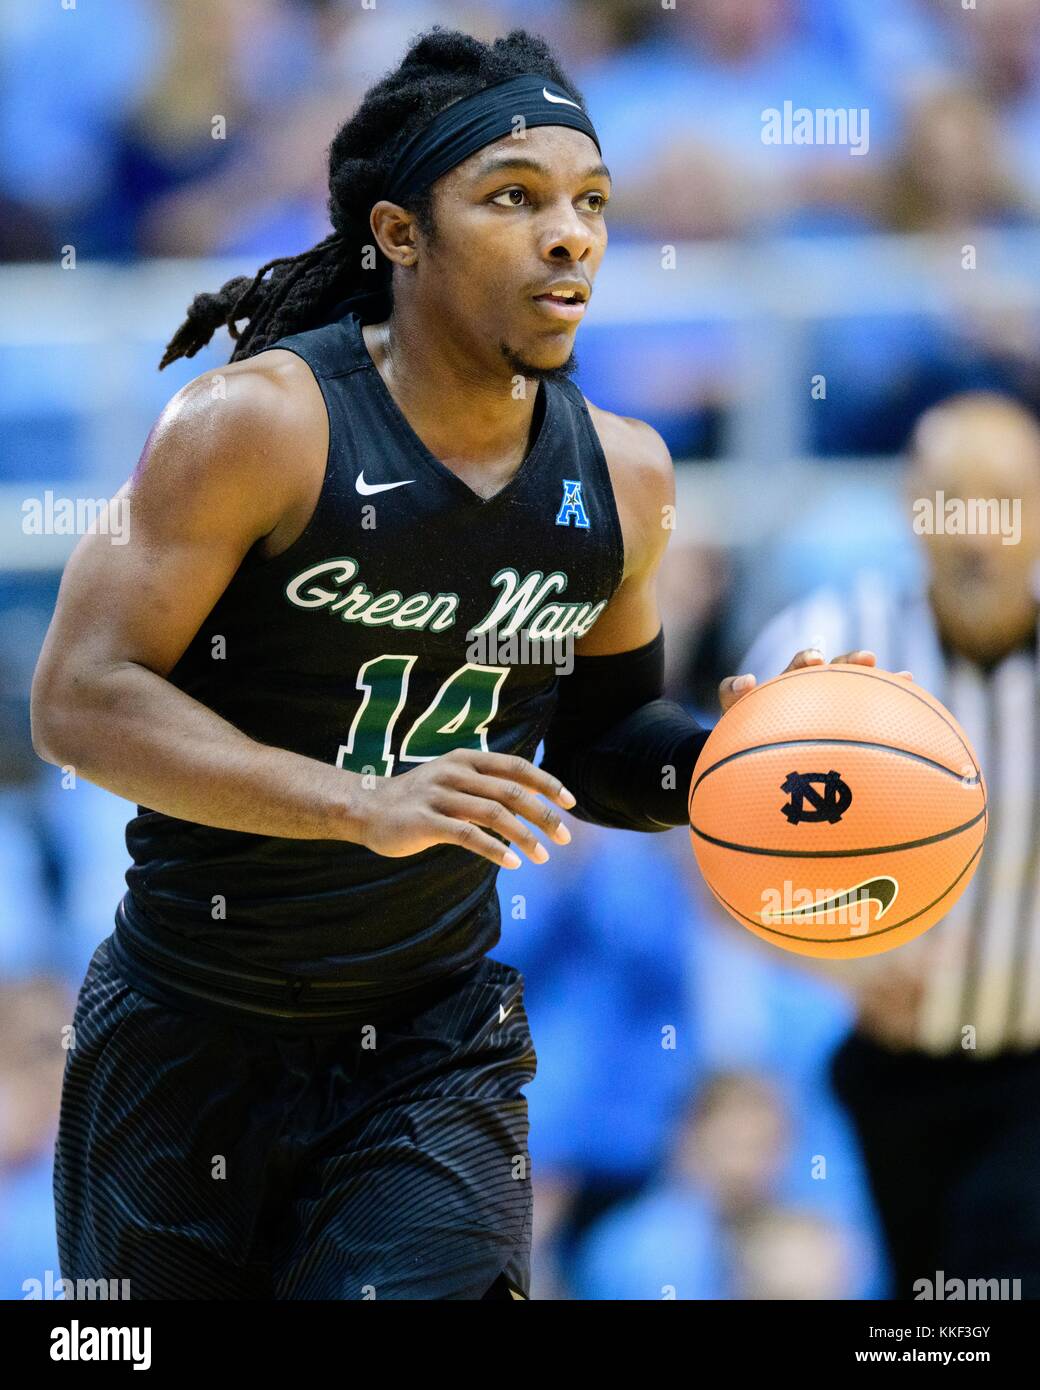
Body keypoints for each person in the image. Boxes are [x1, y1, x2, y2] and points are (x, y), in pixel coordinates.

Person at [31, 26, 860, 1301]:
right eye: (513, 198)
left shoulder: (624, 475)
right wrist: (360, 804)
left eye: (590, 203)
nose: (569, 235)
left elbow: (597, 746)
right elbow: (78, 699)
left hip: (429, 1038)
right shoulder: (256, 425)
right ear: (400, 233)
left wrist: (731, 760)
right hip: (187, 1027)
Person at [740, 391, 1040, 1298]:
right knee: (929, 1298)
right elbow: (722, 861)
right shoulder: (829, 649)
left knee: (998, 1276)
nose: (975, 533)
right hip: (895, 1065)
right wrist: (844, 964)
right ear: (912, 508)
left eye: (1004, 501)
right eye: (952, 500)